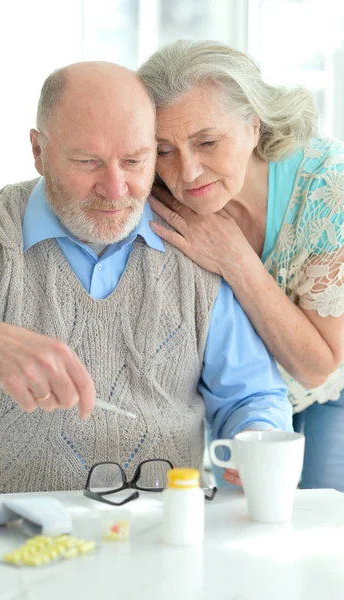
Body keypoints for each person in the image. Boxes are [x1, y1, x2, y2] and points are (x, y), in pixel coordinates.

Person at [0, 61, 292, 498]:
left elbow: (251, 395)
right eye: (87, 161)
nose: (115, 189)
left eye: (134, 160)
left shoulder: (195, 244)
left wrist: (254, 438)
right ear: (38, 151)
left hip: (160, 535)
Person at [136, 40, 344, 490]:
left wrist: (233, 256)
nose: (187, 172)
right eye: (164, 149)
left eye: (207, 142)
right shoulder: (160, 185)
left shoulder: (330, 190)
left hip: (330, 392)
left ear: (254, 125)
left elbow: (318, 365)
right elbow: (83, 174)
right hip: (237, 396)